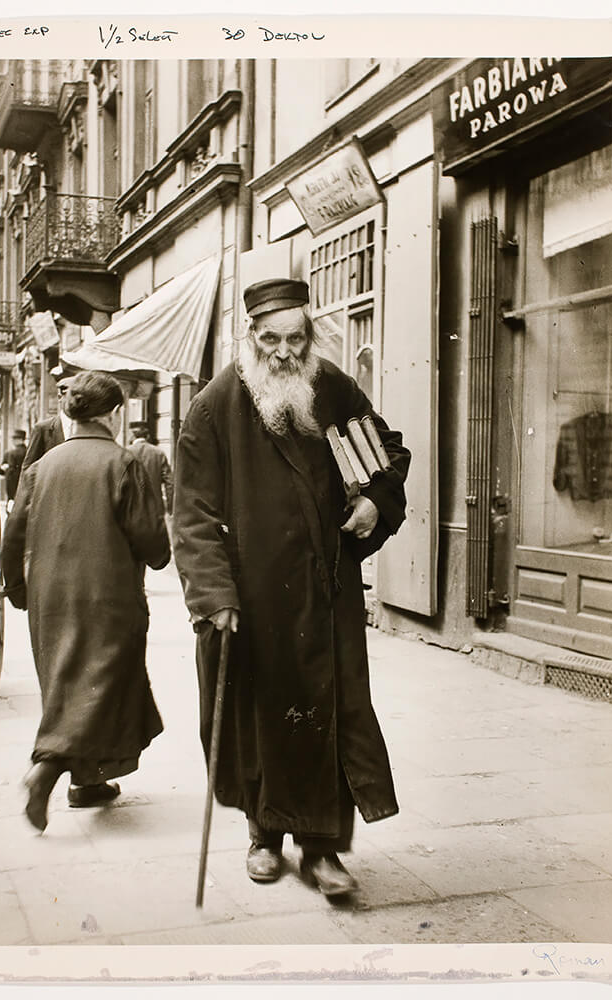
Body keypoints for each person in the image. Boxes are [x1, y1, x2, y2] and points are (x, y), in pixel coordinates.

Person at [172, 277, 411, 896]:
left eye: (296, 338)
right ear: (250, 337)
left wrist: (376, 506)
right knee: (262, 721)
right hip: (253, 601)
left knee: (331, 716)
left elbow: (387, 454)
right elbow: (192, 513)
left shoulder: (332, 389)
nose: (283, 352)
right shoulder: (216, 405)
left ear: (311, 337)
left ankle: (323, 850)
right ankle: (262, 835)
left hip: (326, 592)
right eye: (271, 339)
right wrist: (215, 595)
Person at [1, 370, 171, 833]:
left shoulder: (40, 468)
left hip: (50, 600)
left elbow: (13, 534)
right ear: (114, 414)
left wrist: (18, 589)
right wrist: (160, 551)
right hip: (109, 598)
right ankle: (47, 769)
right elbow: (152, 542)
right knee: (102, 684)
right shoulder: (124, 464)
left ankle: (88, 783)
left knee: (67, 682)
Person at [21, 366, 77, 473]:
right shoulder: (43, 429)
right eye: (72, 397)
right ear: (60, 397)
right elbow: (28, 470)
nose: (76, 403)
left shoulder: (88, 426)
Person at [128, 423, 174, 515]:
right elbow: (170, 483)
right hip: (155, 509)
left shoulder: (125, 452)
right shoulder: (159, 453)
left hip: (132, 509)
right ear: (147, 436)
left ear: (132, 435)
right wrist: (170, 507)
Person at [2, 429, 27, 501]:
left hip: (13, 481)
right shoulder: (28, 451)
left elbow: (10, 470)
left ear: (20, 439)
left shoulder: (11, 453)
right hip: (26, 481)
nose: (12, 441)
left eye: (14, 439)